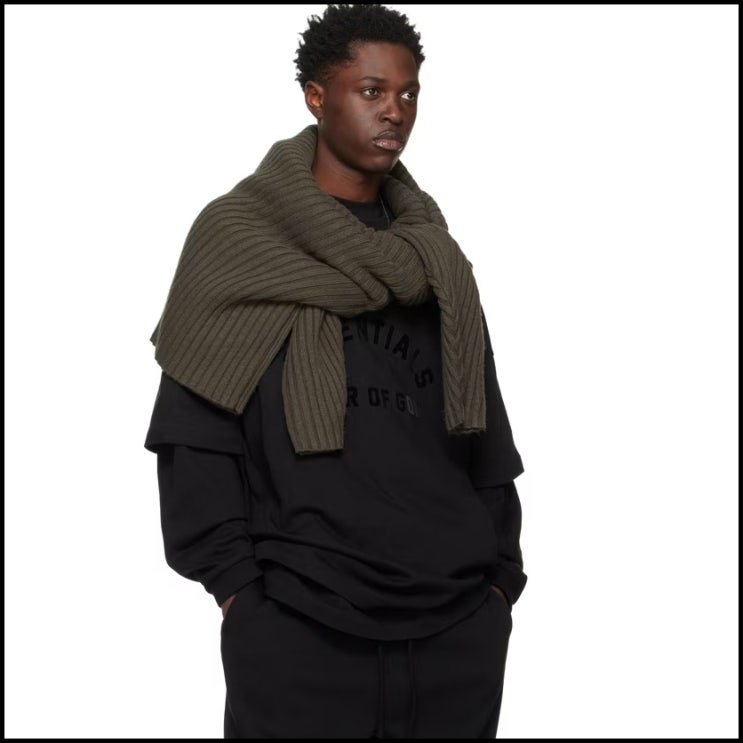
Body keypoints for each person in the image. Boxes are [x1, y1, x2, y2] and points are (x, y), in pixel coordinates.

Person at [144, 4, 526, 738]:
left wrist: (498, 585)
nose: (395, 111)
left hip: (455, 632)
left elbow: (485, 430)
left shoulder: (434, 256)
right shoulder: (240, 238)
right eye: (371, 91)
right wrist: (240, 596)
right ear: (316, 96)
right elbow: (194, 434)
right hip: (298, 630)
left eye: (408, 93)